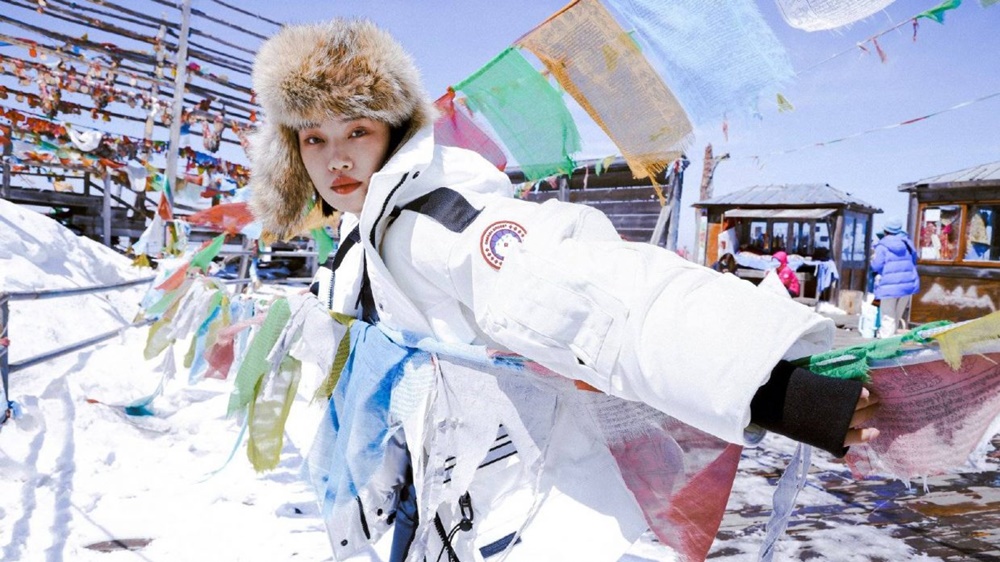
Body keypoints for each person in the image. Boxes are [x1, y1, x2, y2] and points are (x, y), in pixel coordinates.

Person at [248, 19, 879, 562]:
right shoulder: (361, 232)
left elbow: (574, 285)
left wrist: (769, 384)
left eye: (357, 130)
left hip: (495, 511)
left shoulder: (430, 220)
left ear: (394, 129)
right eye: (314, 138)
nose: (336, 160)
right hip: (425, 484)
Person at [871, 217, 920, 337]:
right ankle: (893, 341)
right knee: (897, 316)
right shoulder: (907, 244)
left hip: (889, 285)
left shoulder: (882, 245)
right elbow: (914, 260)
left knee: (888, 317)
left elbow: (876, 266)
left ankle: (885, 344)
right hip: (908, 284)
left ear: (885, 231)